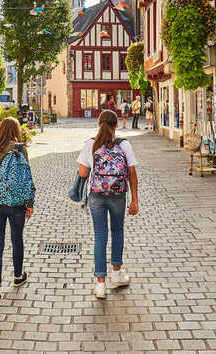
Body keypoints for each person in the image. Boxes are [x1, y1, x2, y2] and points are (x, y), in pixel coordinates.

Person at [77, 110, 139, 298]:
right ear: (116, 125)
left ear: (98, 124)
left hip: (96, 195)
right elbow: (132, 173)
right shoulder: (124, 145)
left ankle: (100, 285)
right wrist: (135, 200)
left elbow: (81, 173)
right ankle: (117, 274)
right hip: (118, 195)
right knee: (117, 231)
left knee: (99, 236)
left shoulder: (91, 144)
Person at [0, 117, 34, 306]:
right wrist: (29, 203)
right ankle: (18, 276)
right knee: (17, 239)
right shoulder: (20, 149)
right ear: (16, 131)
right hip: (17, 204)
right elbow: (27, 177)